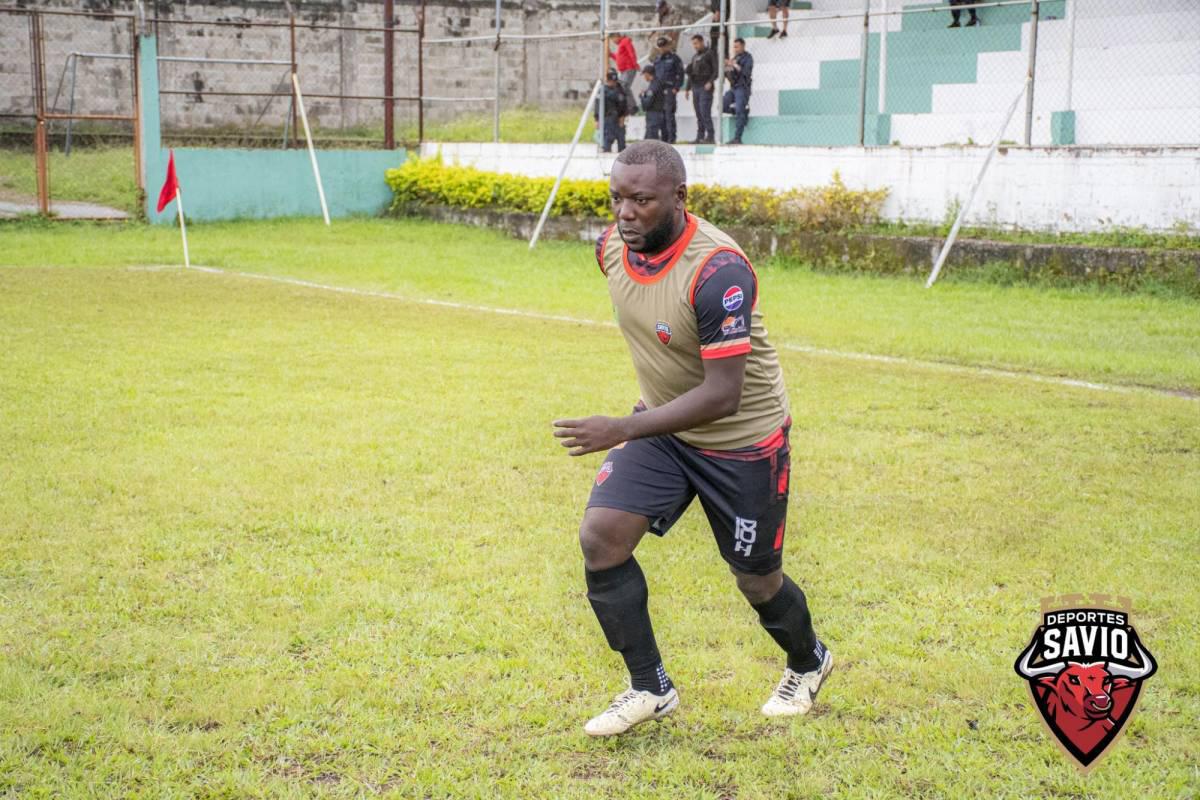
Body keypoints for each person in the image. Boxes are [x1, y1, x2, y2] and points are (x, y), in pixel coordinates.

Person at [554, 140, 834, 737]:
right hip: (663, 428)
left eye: (642, 200)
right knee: (601, 539)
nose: (625, 213)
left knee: (757, 579)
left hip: (742, 440)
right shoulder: (610, 249)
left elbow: (722, 395)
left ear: (681, 198)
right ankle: (648, 686)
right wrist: (638, 424)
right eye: (617, 199)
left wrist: (620, 427)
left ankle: (809, 661)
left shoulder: (718, 271)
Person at [684, 34, 717, 144]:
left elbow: (716, 70)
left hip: (705, 86)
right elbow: (691, 74)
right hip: (695, 86)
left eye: (697, 43)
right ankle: (700, 136)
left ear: (702, 42)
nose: (695, 46)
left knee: (704, 112)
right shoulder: (695, 57)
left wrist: (710, 82)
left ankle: (710, 136)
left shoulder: (710, 53)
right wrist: (687, 88)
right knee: (698, 113)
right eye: (693, 44)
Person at [653, 38, 685, 144]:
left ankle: (671, 137)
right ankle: (664, 137)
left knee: (668, 114)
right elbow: (655, 76)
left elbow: (680, 74)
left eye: (664, 46)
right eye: (660, 47)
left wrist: (676, 87)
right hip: (659, 91)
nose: (662, 49)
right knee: (661, 115)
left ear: (668, 46)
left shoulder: (674, 59)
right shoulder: (657, 59)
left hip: (670, 89)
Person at [722, 38, 753, 145]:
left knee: (739, 109)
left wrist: (734, 65)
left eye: (737, 46)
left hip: (742, 87)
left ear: (743, 46)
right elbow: (730, 75)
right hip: (733, 87)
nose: (735, 49)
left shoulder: (748, 58)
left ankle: (737, 138)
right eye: (734, 47)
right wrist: (727, 67)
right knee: (722, 106)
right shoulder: (735, 58)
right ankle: (743, 113)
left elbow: (745, 73)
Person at [595, 69, 629, 153]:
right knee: (607, 140)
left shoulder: (620, 89)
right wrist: (597, 119)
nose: (613, 83)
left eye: (614, 81)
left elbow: (624, 104)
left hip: (619, 118)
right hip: (607, 118)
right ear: (608, 80)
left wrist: (623, 116)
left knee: (621, 140)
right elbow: (597, 106)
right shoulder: (603, 90)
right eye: (611, 81)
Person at [608, 32, 639, 115]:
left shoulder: (625, 41)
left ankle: (632, 107)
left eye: (613, 39)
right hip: (624, 71)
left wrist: (635, 64)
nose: (613, 41)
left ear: (617, 36)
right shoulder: (621, 45)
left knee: (623, 86)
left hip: (628, 69)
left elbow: (631, 52)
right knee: (622, 87)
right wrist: (610, 54)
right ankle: (630, 106)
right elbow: (618, 58)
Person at [639, 64, 668, 141]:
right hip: (657, 113)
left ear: (648, 74)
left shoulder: (653, 86)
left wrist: (642, 96)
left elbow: (646, 104)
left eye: (644, 75)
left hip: (654, 114)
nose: (644, 77)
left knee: (651, 138)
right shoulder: (657, 83)